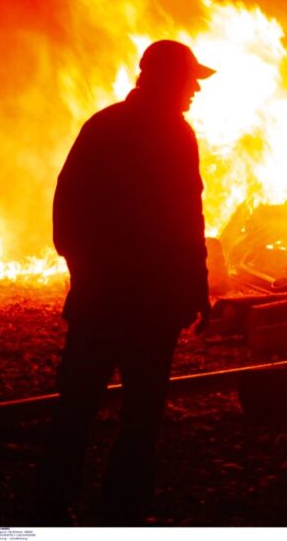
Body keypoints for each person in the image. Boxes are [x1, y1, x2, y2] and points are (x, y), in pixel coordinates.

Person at [39, 40, 215, 524]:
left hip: (100, 298)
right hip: (150, 306)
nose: (196, 89)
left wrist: (85, 270)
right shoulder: (176, 135)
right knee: (140, 417)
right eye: (191, 79)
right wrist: (195, 288)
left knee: (76, 407)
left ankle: (52, 509)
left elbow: (65, 207)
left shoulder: (104, 124)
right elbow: (187, 220)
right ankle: (122, 514)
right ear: (168, 79)